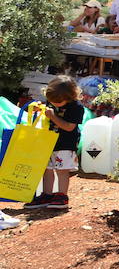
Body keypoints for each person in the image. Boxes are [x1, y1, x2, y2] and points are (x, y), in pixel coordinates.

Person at [23, 76, 84, 212]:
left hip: (65, 144)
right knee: (47, 169)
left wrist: (53, 116)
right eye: (51, 101)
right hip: (49, 142)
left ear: (70, 96)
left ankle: (62, 195)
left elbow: (69, 127)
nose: (54, 104)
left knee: (62, 170)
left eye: (58, 102)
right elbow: (47, 113)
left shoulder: (76, 107)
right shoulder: (52, 101)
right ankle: (47, 194)